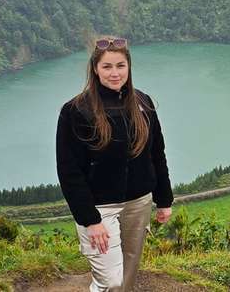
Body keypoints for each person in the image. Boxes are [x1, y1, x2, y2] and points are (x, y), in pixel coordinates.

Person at [56, 36, 173, 291]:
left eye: (120, 65)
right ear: (95, 69)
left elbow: (156, 152)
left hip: (139, 201)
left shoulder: (143, 103)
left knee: (130, 269)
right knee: (111, 279)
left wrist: (164, 200)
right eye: (107, 67)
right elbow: (69, 171)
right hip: (100, 207)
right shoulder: (76, 110)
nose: (114, 73)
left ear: (129, 67)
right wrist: (90, 220)